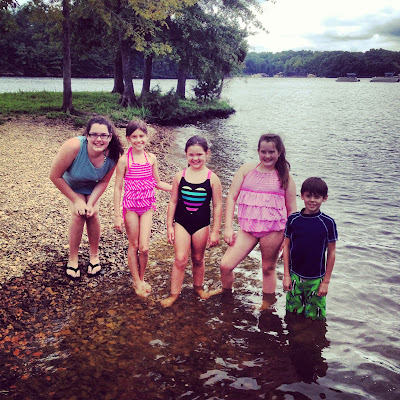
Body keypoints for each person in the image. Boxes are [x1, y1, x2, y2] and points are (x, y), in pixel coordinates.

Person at [220, 133, 297, 309]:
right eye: (263, 151)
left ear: (279, 152)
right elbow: (231, 197)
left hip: (274, 230)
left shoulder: (285, 177)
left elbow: (292, 211)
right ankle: (226, 297)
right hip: (247, 228)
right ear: (258, 151)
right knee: (225, 265)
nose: (267, 156)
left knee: (268, 269)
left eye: (271, 152)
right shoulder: (246, 170)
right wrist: (228, 227)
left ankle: (267, 305)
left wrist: (288, 240)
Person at [50, 116, 124, 280]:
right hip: (71, 185)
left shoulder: (113, 154)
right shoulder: (73, 146)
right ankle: (73, 258)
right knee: (79, 213)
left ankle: (94, 256)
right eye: (94, 134)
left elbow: (104, 181)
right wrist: (77, 201)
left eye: (103, 135)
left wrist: (90, 203)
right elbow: (55, 176)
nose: (99, 139)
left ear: (110, 136)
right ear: (87, 135)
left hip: (93, 186)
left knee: (92, 212)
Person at [161, 136, 222, 307]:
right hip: (181, 223)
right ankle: (174, 294)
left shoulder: (212, 178)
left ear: (207, 154)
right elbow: (173, 201)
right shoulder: (179, 176)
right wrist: (169, 226)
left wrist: (215, 231)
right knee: (180, 259)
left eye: (199, 154)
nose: (195, 158)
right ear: (186, 154)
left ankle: (198, 288)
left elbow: (217, 206)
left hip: (201, 224)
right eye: (191, 155)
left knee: (198, 258)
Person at [114, 120, 172, 297]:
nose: (138, 140)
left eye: (141, 136)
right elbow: (118, 188)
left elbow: (157, 182)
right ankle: (136, 282)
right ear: (128, 138)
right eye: (134, 137)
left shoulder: (151, 158)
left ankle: (141, 277)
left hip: (147, 206)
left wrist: (176, 187)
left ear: (147, 137)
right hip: (130, 207)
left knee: (144, 247)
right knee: (134, 245)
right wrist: (117, 215)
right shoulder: (124, 160)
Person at [283, 177, 337, 320]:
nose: (312, 200)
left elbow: (331, 253)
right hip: (295, 277)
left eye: (317, 197)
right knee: (292, 315)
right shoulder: (293, 220)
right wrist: (286, 275)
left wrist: (326, 282)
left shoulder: (328, 223)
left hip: (317, 280)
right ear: (302, 196)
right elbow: (286, 246)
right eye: (308, 196)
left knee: (315, 319)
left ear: (324, 198)